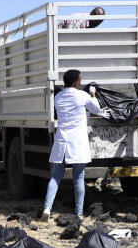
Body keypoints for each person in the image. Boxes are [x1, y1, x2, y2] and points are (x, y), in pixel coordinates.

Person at [40, 69, 107, 222]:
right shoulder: (82, 96)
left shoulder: (57, 97)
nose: (81, 82)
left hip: (62, 140)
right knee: (78, 178)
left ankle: (47, 208)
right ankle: (78, 213)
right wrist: (92, 94)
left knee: (56, 176)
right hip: (77, 142)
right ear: (76, 82)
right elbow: (96, 108)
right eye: (80, 80)